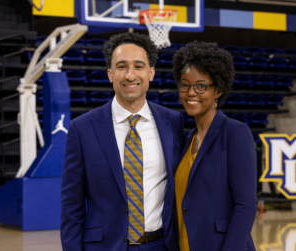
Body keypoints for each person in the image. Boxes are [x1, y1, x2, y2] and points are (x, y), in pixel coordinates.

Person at [61, 32, 183, 251]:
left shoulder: (173, 122)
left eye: (138, 66)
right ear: (110, 74)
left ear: (151, 72)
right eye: (121, 66)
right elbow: (72, 205)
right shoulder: (82, 128)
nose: (130, 75)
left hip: (160, 245)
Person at [173, 41, 257, 251]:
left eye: (201, 86)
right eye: (184, 85)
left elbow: (245, 205)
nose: (191, 92)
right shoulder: (186, 139)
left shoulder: (235, 132)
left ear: (218, 90)